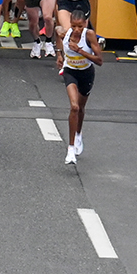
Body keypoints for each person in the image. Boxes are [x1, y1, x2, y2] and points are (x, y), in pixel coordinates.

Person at [57, 9, 104, 166]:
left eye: (80, 26)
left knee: (82, 108)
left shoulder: (89, 35)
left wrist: (81, 51)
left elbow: (99, 61)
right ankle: (70, 150)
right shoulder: (66, 33)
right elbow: (58, 34)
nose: (77, 30)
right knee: (74, 107)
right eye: (74, 26)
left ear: (85, 23)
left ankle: (78, 134)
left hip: (86, 73)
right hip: (70, 72)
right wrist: (59, 55)